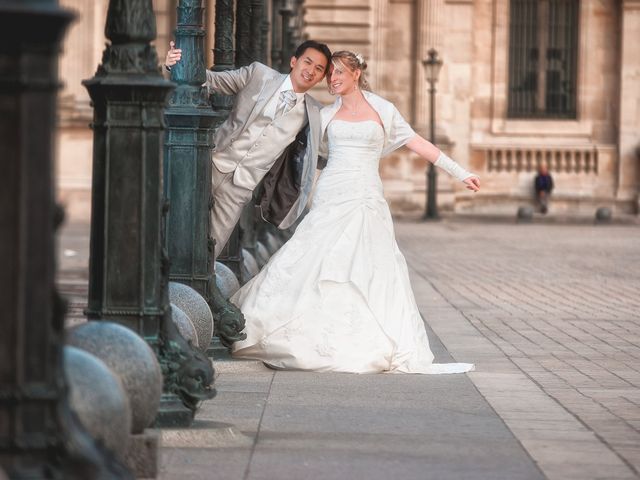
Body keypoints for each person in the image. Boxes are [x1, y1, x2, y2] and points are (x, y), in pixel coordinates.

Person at [229, 51, 478, 374]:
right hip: (333, 193)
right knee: (317, 258)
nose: (331, 79)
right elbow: (299, 151)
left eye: (338, 73)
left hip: (367, 197)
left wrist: (460, 172)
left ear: (356, 73)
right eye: (329, 74)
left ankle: (365, 335)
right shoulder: (324, 115)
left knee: (371, 263)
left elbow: (417, 143)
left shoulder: (383, 110)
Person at [165, 40, 331, 256]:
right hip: (210, 163)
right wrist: (176, 65)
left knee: (210, 250)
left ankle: (192, 287)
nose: (311, 71)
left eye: (319, 69)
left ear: (321, 78)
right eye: (308, 62)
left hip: (241, 187)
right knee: (172, 226)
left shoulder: (315, 113)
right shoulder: (259, 75)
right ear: (294, 61)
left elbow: (326, 154)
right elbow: (212, 80)